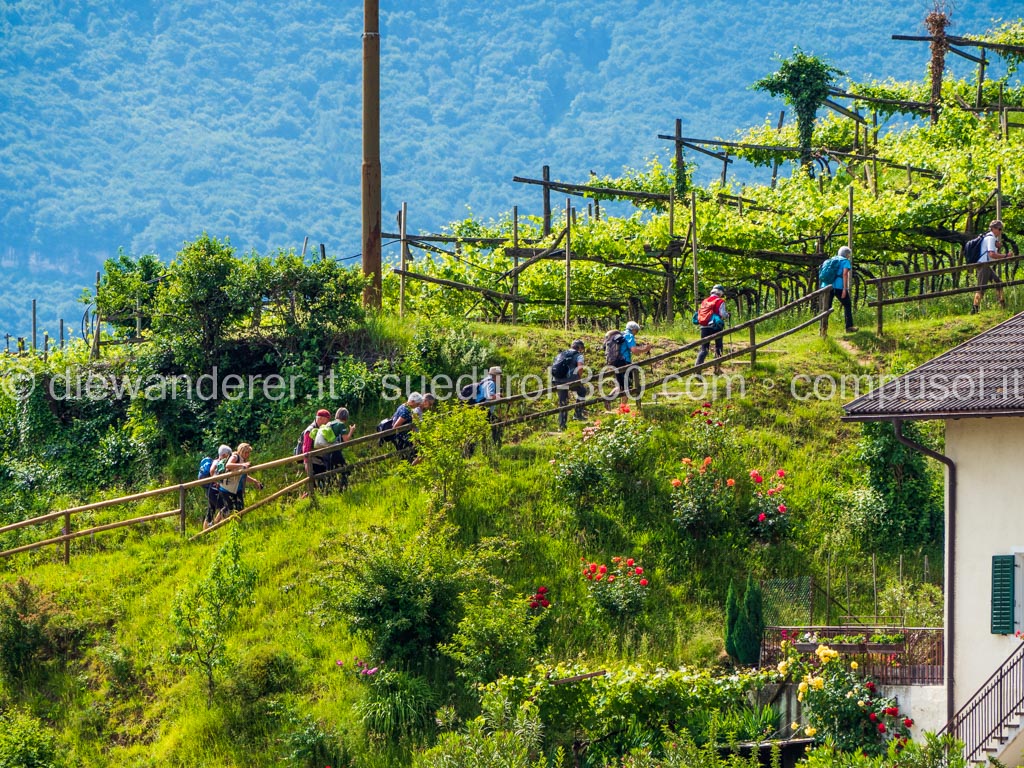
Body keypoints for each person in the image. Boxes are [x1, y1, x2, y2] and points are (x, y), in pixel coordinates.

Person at [972, 219, 1008, 314]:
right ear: (993, 228)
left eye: (1001, 229)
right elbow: (992, 254)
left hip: (985, 265)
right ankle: (974, 309)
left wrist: (997, 247)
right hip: (984, 265)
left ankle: (1002, 305)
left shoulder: (989, 238)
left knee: (998, 282)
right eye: (999, 229)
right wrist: (1006, 256)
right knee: (981, 287)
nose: (1000, 231)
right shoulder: (991, 239)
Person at [550, 339, 587, 430]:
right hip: (570, 380)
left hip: (557, 380)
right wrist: (579, 378)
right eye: (582, 348)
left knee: (563, 402)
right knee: (582, 391)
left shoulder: (561, 354)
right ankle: (578, 414)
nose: (582, 350)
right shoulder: (578, 355)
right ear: (579, 347)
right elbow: (580, 368)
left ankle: (562, 426)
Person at [315, 409, 356, 489]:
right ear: (346, 417)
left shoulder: (330, 423)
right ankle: (343, 489)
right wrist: (351, 431)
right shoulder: (341, 425)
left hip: (325, 452)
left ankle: (328, 491)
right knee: (345, 469)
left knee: (329, 473)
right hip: (334, 452)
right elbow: (346, 440)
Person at [220, 442, 264, 513]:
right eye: (246, 453)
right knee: (228, 509)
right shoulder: (235, 457)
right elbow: (228, 465)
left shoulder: (243, 460)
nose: (248, 455)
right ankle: (217, 520)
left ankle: (237, 520)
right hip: (226, 488)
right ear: (241, 451)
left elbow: (244, 476)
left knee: (240, 509)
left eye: (249, 453)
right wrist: (242, 464)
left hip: (236, 488)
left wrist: (254, 481)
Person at [695, 285, 730, 374]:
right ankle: (717, 368)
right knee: (718, 346)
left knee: (704, 348)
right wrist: (728, 315)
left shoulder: (705, 301)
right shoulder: (720, 301)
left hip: (704, 326)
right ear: (720, 293)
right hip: (716, 326)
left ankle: (697, 369)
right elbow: (722, 314)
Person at [619, 321, 652, 404]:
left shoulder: (622, 334)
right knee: (627, 386)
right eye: (636, 331)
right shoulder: (629, 335)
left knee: (621, 386)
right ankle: (623, 408)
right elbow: (634, 350)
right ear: (633, 329)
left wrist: (641, 349)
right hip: (624, 362)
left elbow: (635, 352)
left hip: (617, 362)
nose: (636, 333)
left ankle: (611, 400)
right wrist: (646, 349)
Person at [204, 444, 233, 529]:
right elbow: (211, 470)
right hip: (214, 490)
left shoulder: (219, 462)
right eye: (229, 455)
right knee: (225, 507)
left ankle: (205, 531)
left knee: (211, 511)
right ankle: (216, 526)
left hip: (211, 490)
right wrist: (216, 480)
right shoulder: (217, 462)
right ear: (224, 454)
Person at [828, 246, 856, 332]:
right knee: (847, 304)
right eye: (848, 254)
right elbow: (844, 274)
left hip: (828, 286)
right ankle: (849, 327)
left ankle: (823, 328)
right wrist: (845, 289)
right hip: (839, 286)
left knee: (827, 307)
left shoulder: (832, 259)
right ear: (846, 254)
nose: (849, 256)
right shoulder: (845, 261)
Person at [391, 392, 423, 458]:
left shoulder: (403, 405)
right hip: (403, 438)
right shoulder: (406, 411)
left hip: (403, 437)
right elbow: (395, 426)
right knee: (416, 454)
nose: (417, 406)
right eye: (417, 404)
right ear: (412, 401)